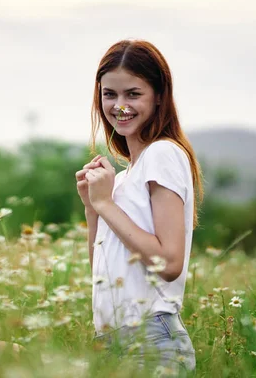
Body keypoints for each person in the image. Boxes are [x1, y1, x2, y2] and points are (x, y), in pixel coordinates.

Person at [75, 39, 203, 373]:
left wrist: (106, 204)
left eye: (133, 94)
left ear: (159, 95)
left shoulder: (163, 153)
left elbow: (170, 262)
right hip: (111, 341)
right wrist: (93, 208)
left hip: (149, 342)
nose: (119, 106)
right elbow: (103, 276)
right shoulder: (123, 178)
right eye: (109, 94)